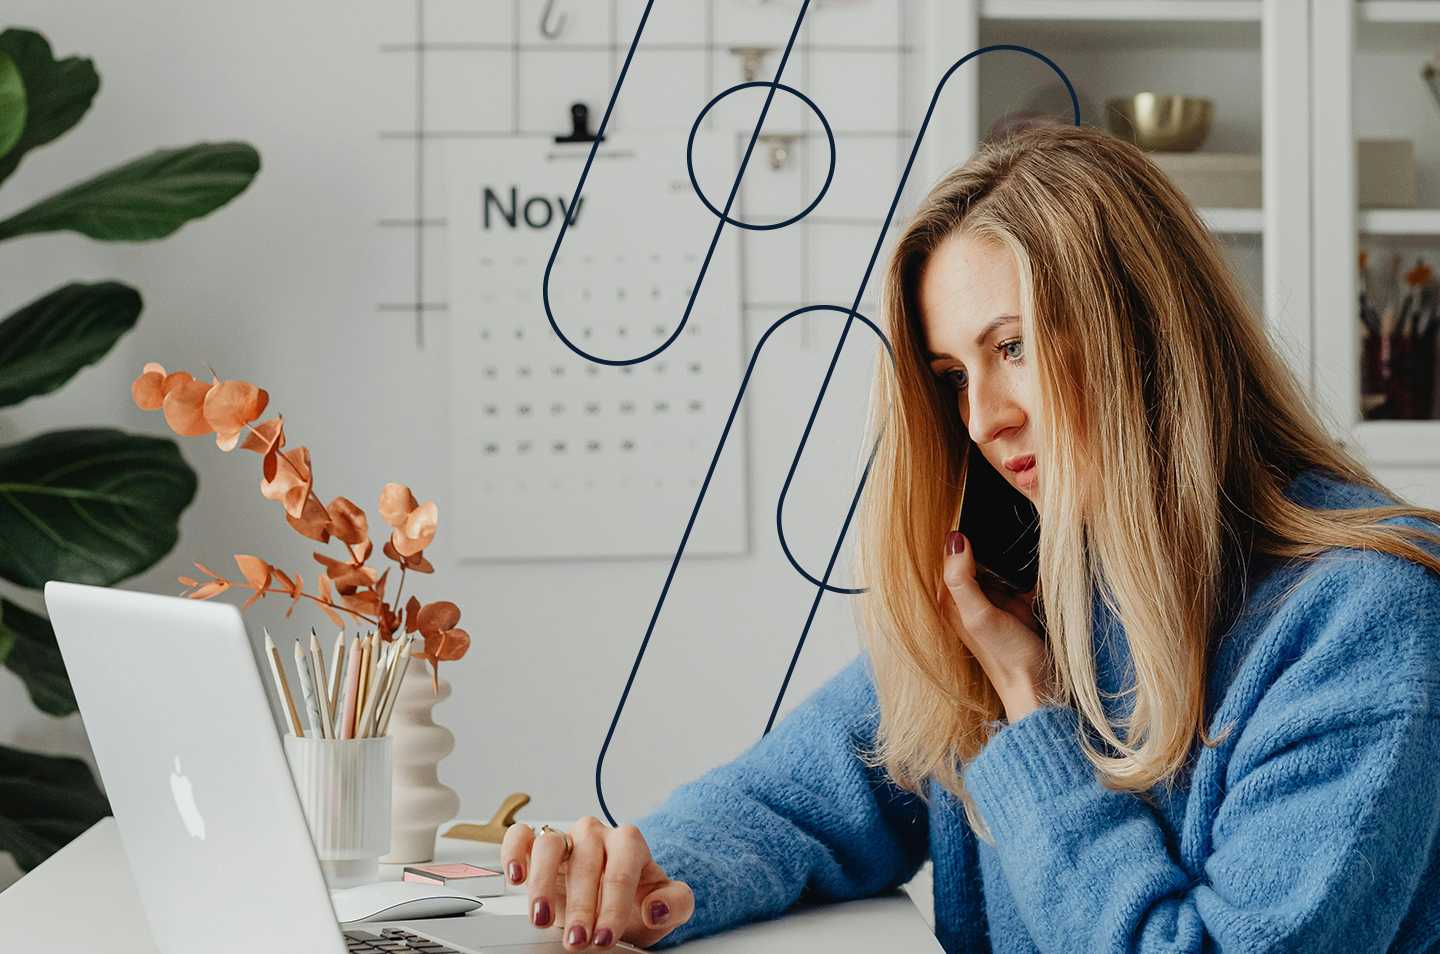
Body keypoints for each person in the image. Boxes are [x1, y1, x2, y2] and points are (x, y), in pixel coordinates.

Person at [500, 123, 1440, 952]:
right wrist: (633, 876)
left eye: (1013, 347)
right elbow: (794, 801)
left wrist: (1030, 710)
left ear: (1147, 334)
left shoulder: (1366, 619)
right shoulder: (1025, 576)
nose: (982, 418)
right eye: (953, 374)